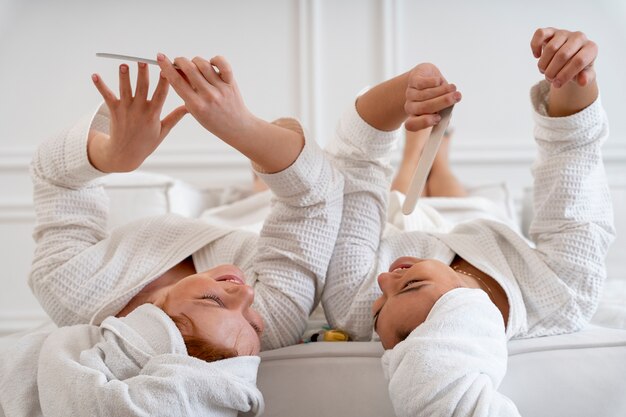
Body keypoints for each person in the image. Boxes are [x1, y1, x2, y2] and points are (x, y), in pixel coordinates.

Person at [0, 55, 344, 416]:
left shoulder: (72, 288)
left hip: (223, 223)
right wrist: (241, 126)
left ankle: (259, 185)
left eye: (214, 300)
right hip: (269, 228)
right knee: (277, 180)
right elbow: (315, 199)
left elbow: (53, 177)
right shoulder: (265, 324)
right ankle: (262, 184)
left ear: (152, 326)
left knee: (260, 187)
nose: (246, 292)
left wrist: (112, 153)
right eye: (253, 321)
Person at [321, 27, 614, 416]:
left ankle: (417, 158)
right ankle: (436, 162)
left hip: (391, 225)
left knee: (399, 192)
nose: (383, 281)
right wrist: (571, 75)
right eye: (409, 285)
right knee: (456, 195)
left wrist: (401, 95)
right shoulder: (561, 295)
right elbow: (572, 154)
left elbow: (355, 161)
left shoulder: (353, 307)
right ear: (467, 312)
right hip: (480, 218)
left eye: (378, 311)